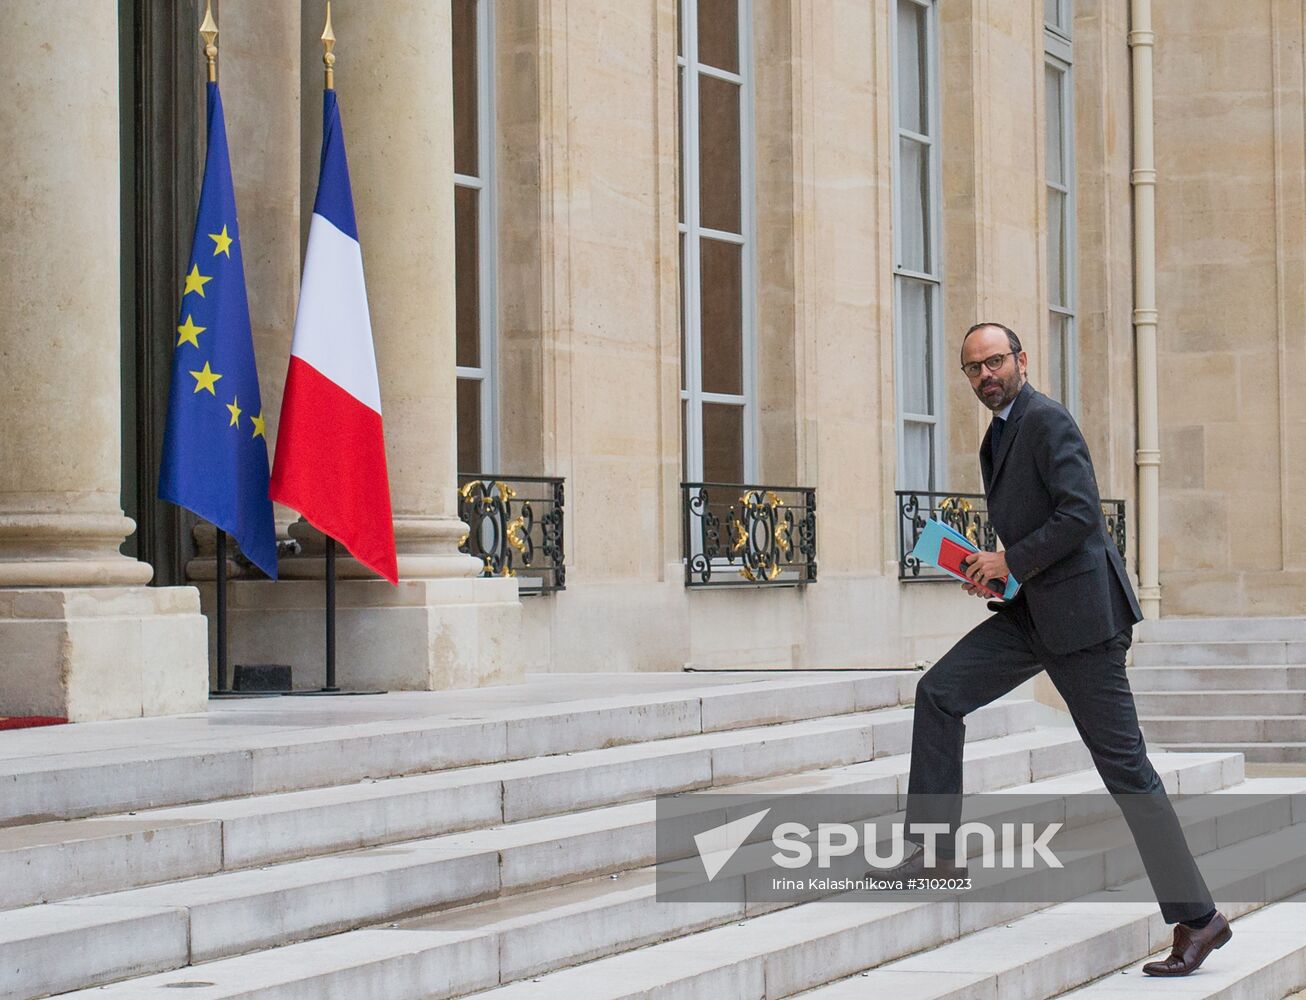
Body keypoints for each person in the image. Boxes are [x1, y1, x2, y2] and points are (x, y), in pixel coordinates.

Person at [884, 322, 1230, 977]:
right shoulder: (999, 434)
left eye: (995, 362)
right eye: (973, 368)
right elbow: (1042, 530)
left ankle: (1200, 919)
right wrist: (994, 573)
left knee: (1127, 771)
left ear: (1021, 360)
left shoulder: (1046, 421)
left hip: (1086, 624)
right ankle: (932, 851)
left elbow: (1078, 517)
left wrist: (1008, 557)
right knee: (940, 694)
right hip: (1032, 611)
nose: (986, 375)